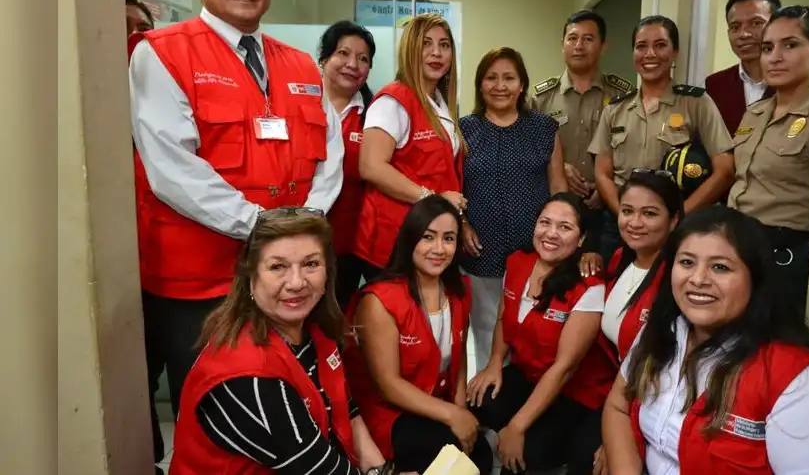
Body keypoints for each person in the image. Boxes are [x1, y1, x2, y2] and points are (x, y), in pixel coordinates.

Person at [129, 0, 345, 472]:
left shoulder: (299, 64)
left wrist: (302, 228)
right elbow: (171, 167)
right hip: (202, 280)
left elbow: (331, 152)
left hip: (288, 273)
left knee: (292, 396)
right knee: (219, 417)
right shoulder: (161, 52)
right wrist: (264, 227)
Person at [602, 207, 809, 475]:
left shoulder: (806, 383)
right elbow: (618, 406)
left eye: (720, 267)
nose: (698, 279)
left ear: (756, 280)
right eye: (686, 262)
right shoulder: (663, 331)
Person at [169, 208, 387, 475]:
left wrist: (382, 470)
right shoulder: (248, 378)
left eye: (311, 264)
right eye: (277, 267)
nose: (296, 282)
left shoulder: (315, 330)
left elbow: (347, 410)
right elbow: (320, 469)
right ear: (251, 278)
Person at [466, 193, 616, 475]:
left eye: (565, 227)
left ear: (582, 239)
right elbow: (502, 318)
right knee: (475, 403)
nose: (551, 233)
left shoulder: (589, 287)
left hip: (573, 393)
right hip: (529, 376)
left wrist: (517, 427)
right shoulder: (518, 261)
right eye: (544, 222)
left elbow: (564, 368)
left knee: (522, 457)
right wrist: (495, 362)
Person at [342, 196, 493, 475]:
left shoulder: (459, 291)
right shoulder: (380, 300)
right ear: (410, 239)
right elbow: (388, 385)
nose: (439, 249)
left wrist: (462, 411)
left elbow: (457, 363)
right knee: (452, 456)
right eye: (428, 237)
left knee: (477, 452)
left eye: (448, 239)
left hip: (435, 403)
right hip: (390, 412)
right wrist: (453, 415)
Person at [459, 46, 568, 372]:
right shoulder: (463, 130)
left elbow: (559, 187)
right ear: (480, 85)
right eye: (491, 78)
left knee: (533, 333)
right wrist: (462, 223)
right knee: (484, 331)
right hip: (480, 252)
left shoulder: (544, 128)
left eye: (509, 77)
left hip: (535, 253)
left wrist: (562, 240)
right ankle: (488, 407)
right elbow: (451, 188)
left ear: (522, 85)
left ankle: (525, 406)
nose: (500, 85)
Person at [590, 16, 732, 261]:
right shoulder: (615, 109)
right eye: (641, 46)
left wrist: (677, 217)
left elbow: (725, 170)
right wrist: (626, 217)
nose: (650, 54)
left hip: (678, 229)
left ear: (674, 52)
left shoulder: (696, 103)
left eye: (660, 45)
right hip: (619, 231)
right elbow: (602, 173)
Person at [572, 169, 684, 474]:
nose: (635, 223)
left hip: (650, 407)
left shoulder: (677, 279)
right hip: (614, 392)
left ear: (674, 220)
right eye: (627, 211)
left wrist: (619, 438)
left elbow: (664, 377)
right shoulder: (621, 256)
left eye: (649, 214)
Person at [729, 5, 809, 319]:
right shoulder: (756, 112)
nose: (775, 57)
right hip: (738, 244)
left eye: (790, 45)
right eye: (767, 48)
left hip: (787, 252)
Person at [356, 13, 466, 279]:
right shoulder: (394, 100)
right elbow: (371, 167)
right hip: (395, 241)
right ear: (410, 50)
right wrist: (434, 198)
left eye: (444, 45)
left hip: (428, 240)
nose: (436, 53)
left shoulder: (439, 103)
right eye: (426, 44)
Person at [529, 10, 633, 253]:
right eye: (572, 38)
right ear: (562, 44)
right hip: (557, 209)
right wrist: (559, 167)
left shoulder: (624, 97)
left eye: (588, 39)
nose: (579, 46)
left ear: (603, 45)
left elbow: (632, 149)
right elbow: (528, 150)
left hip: (610, 211)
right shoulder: (541, 98)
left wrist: (607, 186)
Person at [319, 20, 377, 308]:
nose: (352, 64)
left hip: (349, 248)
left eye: (363, 59)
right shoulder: (300, 106)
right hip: (300, 240)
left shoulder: (375, 117)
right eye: (343, 53)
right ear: (324, 58)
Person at [705, 0, 782, 136]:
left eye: (755, 23)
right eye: (735, 27)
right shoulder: (714, 85)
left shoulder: (794, 83)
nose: (744, 34)